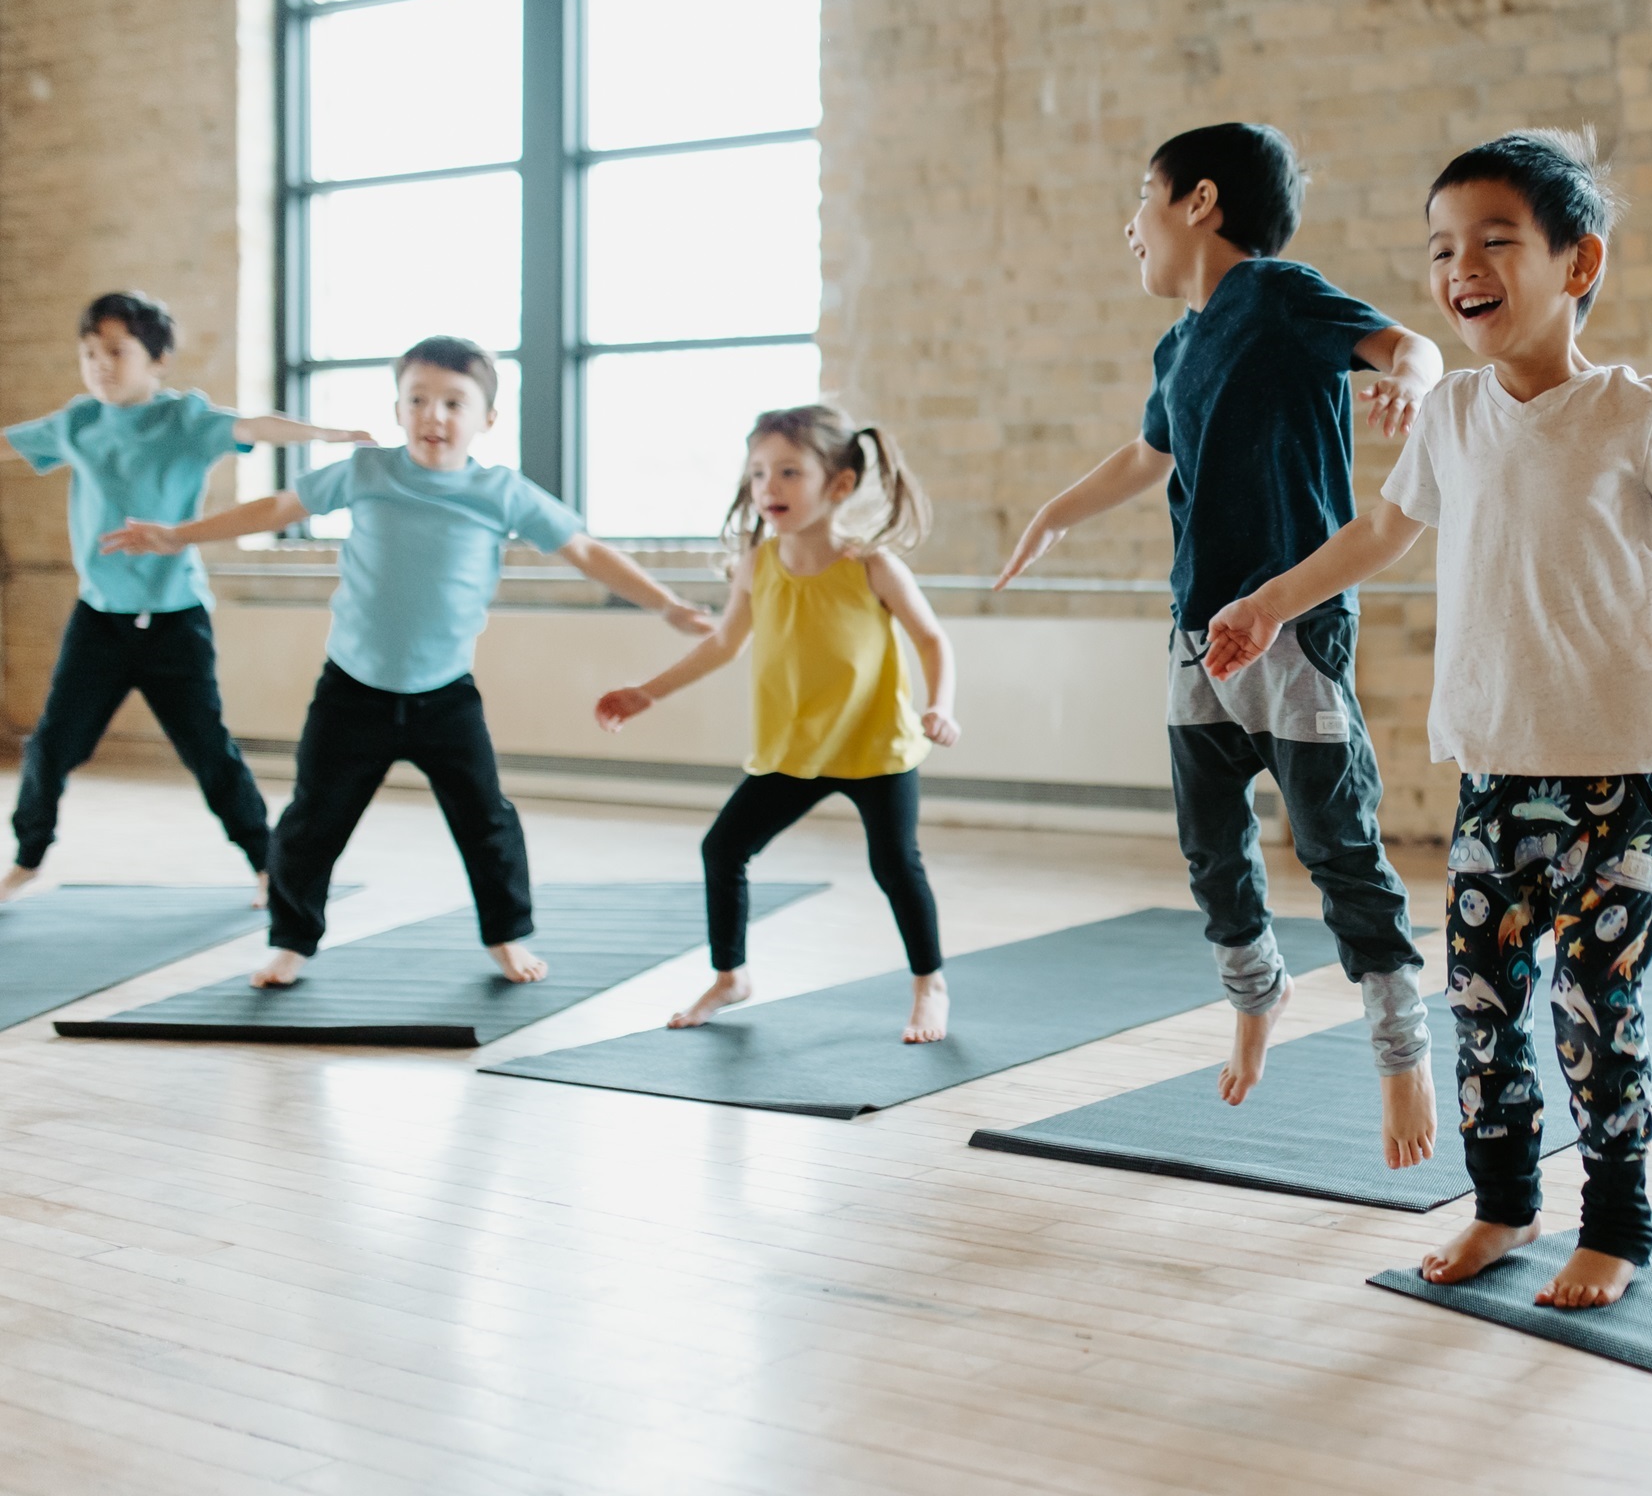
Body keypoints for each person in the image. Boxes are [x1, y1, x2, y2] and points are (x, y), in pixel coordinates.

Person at [1200, 129, 1652, 1310]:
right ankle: (1500, 1206)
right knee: (1485, 1009)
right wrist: (1272, 603)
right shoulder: (1450, 419)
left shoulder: (1635, 413)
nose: (1460, 270)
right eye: (1442, 250)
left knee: (1598, 1008)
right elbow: (1382, 535)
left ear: (1577, 262)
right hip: (1496, 768)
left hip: (1617, 776)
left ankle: (1617, 1226)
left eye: (1494, 243)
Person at [994, 121, 1442, 1169]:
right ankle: (1259, 992)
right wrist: (1055, 511)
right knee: (1209, 844)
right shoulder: (1177, 343)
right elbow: (1147, 454)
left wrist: (1410, 387)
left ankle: (1401, 1048)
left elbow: (1406, 348)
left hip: (1291, 628)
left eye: (1140, 200)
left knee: (1336, 846)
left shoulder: (1279, 297)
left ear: (1200, 202)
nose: (1128, 226)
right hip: (1198, 631)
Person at [102, 335, 710, 988]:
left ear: (487, 419)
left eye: (453, 402)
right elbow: (278, 508)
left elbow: (586, 551)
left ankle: (506, 936)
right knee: (311, 824)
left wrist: (669, 605)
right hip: (351, 691)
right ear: (398, 410)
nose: (434, 416)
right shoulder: (367, 471)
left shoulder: (500, 492)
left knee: (487, 823)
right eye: (417, 400)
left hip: (444, 697)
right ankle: (291, 941)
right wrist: (178, 535)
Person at [594, 405, 961, 1043]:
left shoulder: (870, 564)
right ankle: (730, 975)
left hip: (876, 747)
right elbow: (722, 645)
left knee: (896, 865)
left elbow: (932, 639)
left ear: (838, 485)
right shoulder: (757, 564)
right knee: (724, 848)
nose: (769, 487)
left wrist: (942, 704)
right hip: (795, 750)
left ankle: (930, 984)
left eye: (789, 472)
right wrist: (646, 693)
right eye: (759, 473)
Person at [3, 291, 370, 905]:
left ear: (158, 359)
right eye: (89, 353)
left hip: (175, 622)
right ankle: (28, 857)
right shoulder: (76, 424)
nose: (100, 365)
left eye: (116, 352)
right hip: (99, 620)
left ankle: (266, 864)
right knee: (50, 746)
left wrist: (327, 433)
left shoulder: (187, 420)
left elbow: (255, 427)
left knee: (207, 752)